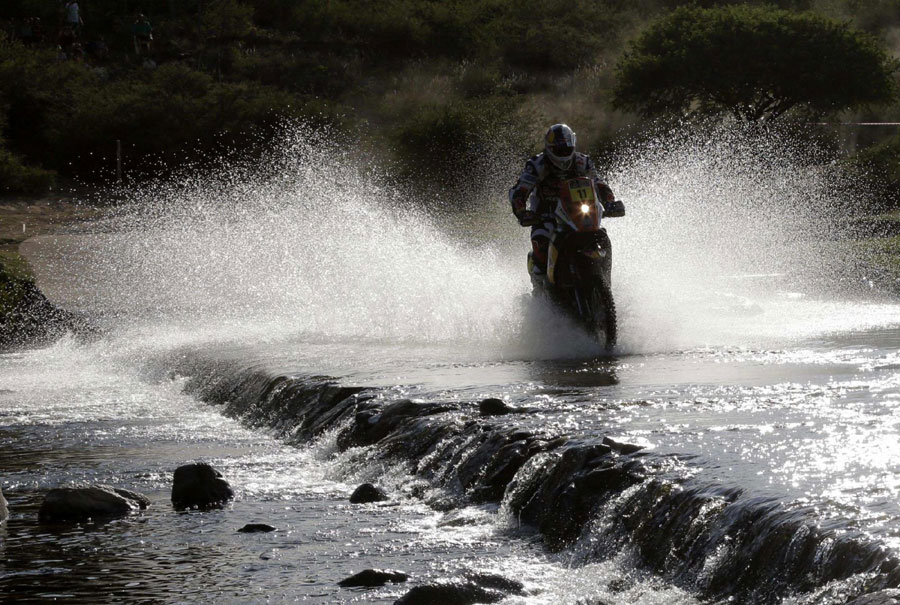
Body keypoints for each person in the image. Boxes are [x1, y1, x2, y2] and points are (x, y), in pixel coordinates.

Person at [508, 123, 623, 288]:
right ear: (549, 148)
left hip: (579, 213)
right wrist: (521, 211)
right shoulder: (537, 165)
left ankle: (605, 282)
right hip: (545, 215)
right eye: (558, 150)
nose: (563, 153)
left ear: (573, 146)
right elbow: (519, 191)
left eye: (566, 149)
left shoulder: (583, 162)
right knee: (541, 245)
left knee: (602, 237)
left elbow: (598, 184)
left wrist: (610, 203)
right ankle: (541, 291)